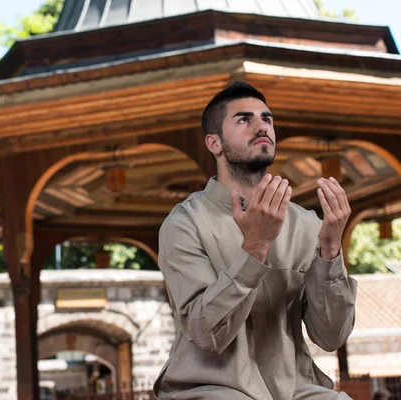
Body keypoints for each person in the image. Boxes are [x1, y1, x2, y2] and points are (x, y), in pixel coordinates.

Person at [153, 81, 357, 400]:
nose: (261, 126)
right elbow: (206, 335)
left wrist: (331, 253)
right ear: (214, 143)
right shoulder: (184, 223)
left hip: (294, 389)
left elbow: (332, 336)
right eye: (244, 119)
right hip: (210, 390)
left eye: (267, 118)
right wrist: (255, 247)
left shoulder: (306, 224)